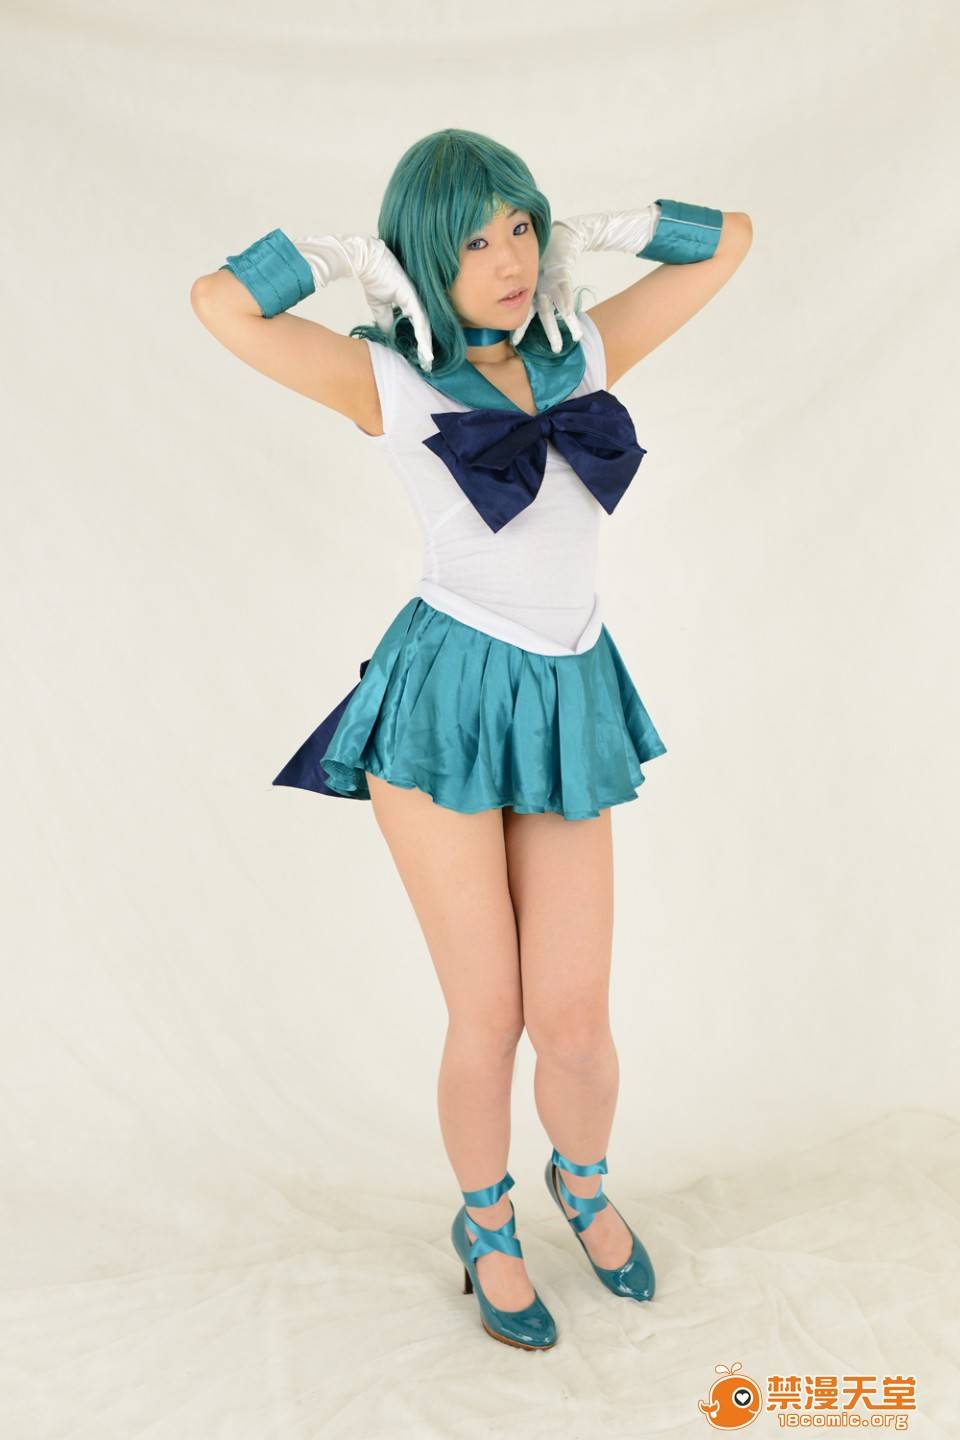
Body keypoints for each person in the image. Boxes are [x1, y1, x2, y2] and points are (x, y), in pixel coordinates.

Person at [191, 127, 753, 1352]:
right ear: (423, 259)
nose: (507, 260)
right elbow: (220, 304)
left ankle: (581, 1186)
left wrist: (609, 233)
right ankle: (485, 1223)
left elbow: (731, 245)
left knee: (576, 1023)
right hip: (445, 698)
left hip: (567, 692)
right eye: (472, 243)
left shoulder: (581, 349)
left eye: (520, 230)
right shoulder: (388, 380)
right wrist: (339, 261)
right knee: (488, 1012)